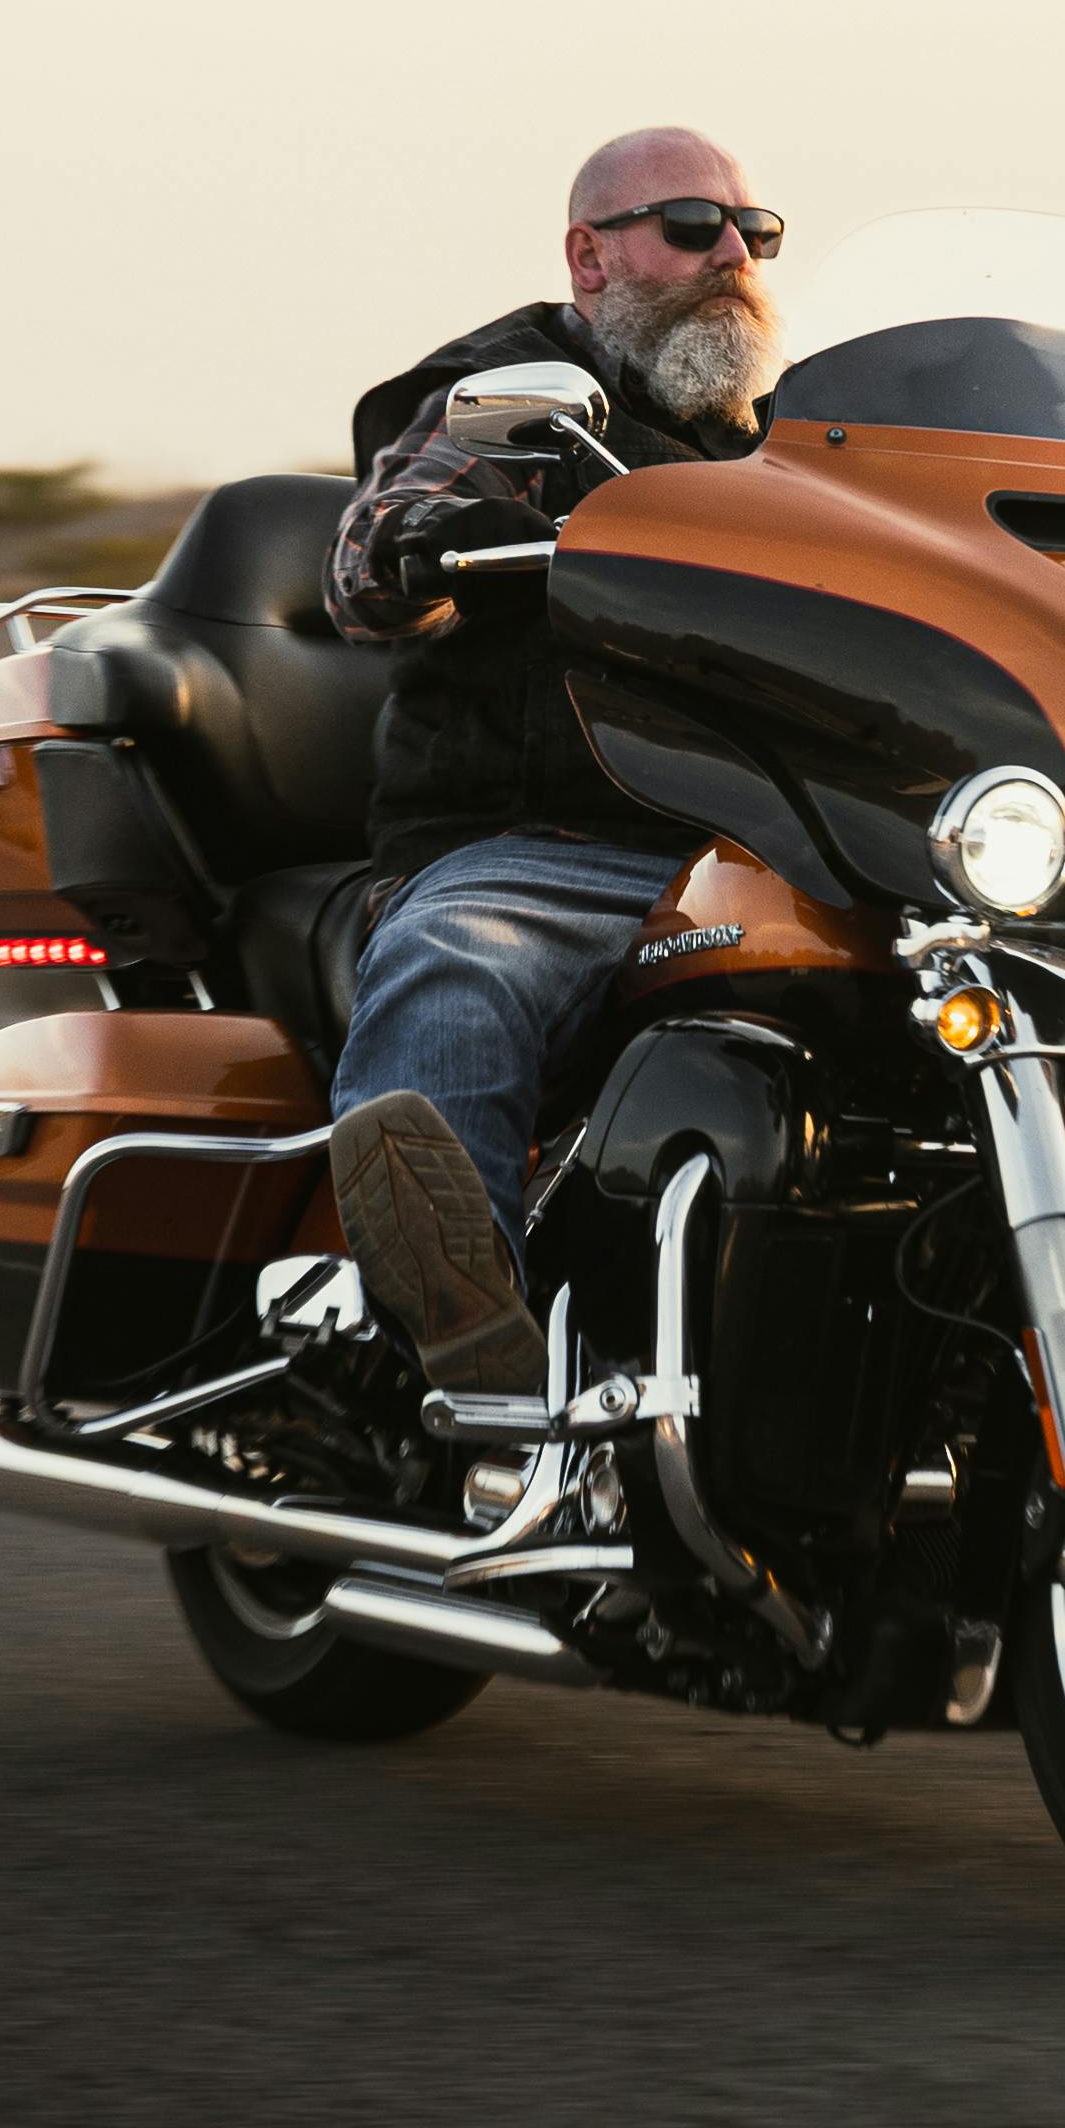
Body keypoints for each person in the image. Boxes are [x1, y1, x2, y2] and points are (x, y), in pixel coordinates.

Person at [319, 127, 786, 1394]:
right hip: (546, 848)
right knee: (465, 961)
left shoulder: (804, 447)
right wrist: (432, 541)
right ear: (589, 255)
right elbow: (370, 561)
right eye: (692, 226)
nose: (732, 254)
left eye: (755, 232)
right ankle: (468, 1359)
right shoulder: (513, 393)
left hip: (780, 851)